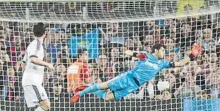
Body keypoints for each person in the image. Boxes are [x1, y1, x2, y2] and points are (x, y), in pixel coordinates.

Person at [71, 43, 199, 103]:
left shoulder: (163, 63)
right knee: (104, 86)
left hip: (135, 86)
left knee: (107, 97)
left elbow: (181, 63)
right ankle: (80, 93)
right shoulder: (146, 56)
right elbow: (127, 52)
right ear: (156, 50)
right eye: (162, 50)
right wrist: (136, 54)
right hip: (128, 78)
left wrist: (192, 55)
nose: (164, 53)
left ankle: (89, 88)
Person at [20, 23, 54, 111]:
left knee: (45, 105)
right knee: (46, 105)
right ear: (45, 34)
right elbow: (33, 59)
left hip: (31, 80)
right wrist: (48, 64)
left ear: (33, 32)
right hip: (32, 80)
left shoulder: (32, 44)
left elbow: (23, 63)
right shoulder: (37, 44)